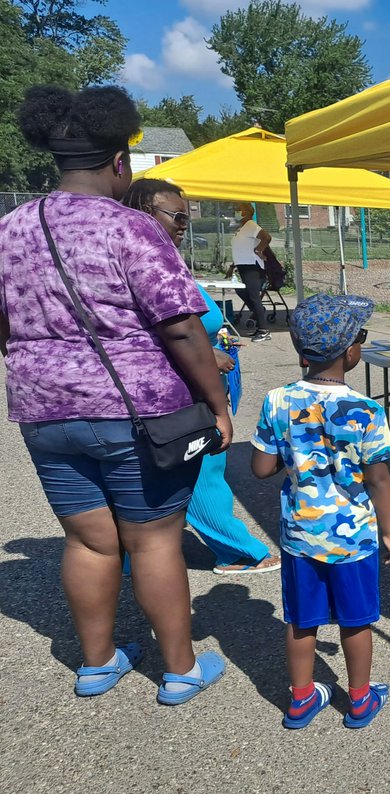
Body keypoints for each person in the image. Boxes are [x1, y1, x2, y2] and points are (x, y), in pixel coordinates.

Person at [0, 85, 229, 703]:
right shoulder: (131, 229)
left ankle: (97, 663)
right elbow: (180, 326)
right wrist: (217, 403)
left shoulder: (9, 228)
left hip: (43, 410)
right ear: (119, 163)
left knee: (87, 539)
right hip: (133, 410)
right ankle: (179, 671)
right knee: (153, 538)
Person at [251, 294, 390, 729]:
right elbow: (378, 479)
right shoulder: (367, 411)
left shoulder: (277, 401)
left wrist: (293, 450)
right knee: (356, 622)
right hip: (353, 539)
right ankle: (359, 699)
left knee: (301, 621)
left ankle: (301, 699)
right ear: (352, 351)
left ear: (301, 352)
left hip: (301, 536)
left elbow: (261, 468)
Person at [123, 178, 280, 576]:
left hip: (208, 378)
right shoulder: (135, 262)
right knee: (204, 467)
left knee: (203, 466)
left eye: (187, 215)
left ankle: (139, 551)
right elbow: (136, 331)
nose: (184, 223)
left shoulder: (165, 259)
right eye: (176, 215)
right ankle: (241, 551)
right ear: (144, 211)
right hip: (189, 388)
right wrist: (206, 355)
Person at [227, 202, 272, 343]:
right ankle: (259, 313)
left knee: (253, 296)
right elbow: (241, 247)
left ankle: (264, 331)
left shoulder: (251, 225)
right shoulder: (242, 228)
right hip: (242, 265)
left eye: (237, 210)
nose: (235, 212)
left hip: (252, 265)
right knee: (241, 291)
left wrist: (259, 250)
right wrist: (232, 266)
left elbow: (266, 237)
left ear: (246, 212)